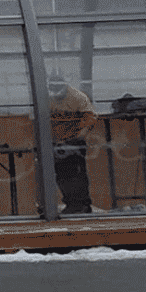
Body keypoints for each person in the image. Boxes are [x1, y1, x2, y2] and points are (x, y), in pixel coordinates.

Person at [49, 84, 97, 214]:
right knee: (61, 174)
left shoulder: (78, 97)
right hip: (56, 141)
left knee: (76, 173)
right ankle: (71, 203)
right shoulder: (47, 97)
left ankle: (82, 205)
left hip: (74, 140)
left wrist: (79, 137)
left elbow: (90, 118)